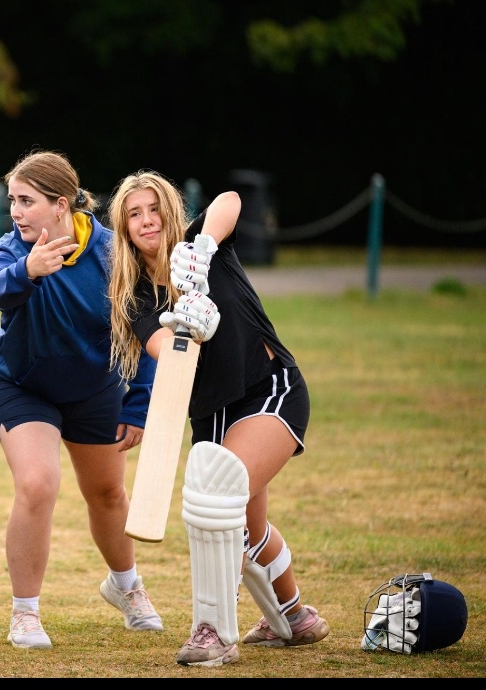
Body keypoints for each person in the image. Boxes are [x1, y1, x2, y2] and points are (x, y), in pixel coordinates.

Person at [106, 170, 330, 667]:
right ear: (123, 230)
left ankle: (213, 632)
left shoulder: (200, 244)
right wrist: (185, 323)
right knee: (244, 527)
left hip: (267, 389)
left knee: (217, 500)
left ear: (170, 210)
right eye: (133, 215)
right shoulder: (138, 295)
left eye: (153, 208)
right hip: (211, 415)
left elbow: (230, 199)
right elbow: (165, 350)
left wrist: (202, 250)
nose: (146, 221)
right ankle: (293, 616)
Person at [0, 150, 161, 650]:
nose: (15, 211)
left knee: (107, 494)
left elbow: (146, 330)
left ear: (61, 204)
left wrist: (138, 404)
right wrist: (28, 271)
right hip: (20, 386)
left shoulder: (110, 253)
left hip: (95, 390)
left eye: (27, 201)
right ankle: (25, 615)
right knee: (37, 485)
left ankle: (127, 588)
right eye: (13, 200)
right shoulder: (10, 250)